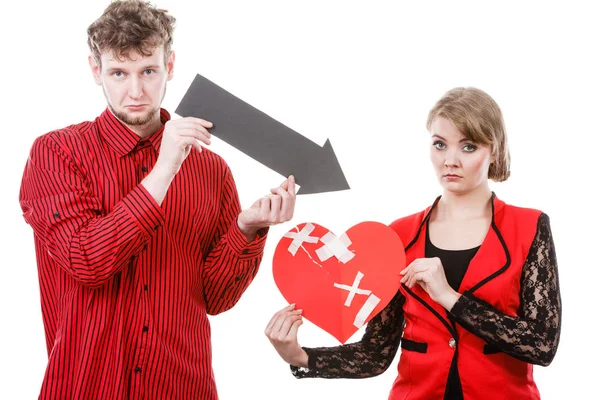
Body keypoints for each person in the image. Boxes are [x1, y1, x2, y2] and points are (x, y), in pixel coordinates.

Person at [19, 1, 296, 399]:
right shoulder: (56, 153)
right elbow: (87, 261)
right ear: (96, 71)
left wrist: (247, 228)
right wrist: (164, 169)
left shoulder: (212, 171)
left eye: (148, 71)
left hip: (183, 387)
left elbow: (215, 299)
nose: (136, 91)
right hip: (86, 387)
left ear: (169, 66)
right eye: (119, 73)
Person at [265, 87, 561, 399]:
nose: (450, 160)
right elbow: (377, 352)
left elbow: (542, 344)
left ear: (495, 151)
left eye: (468, 146)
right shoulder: (399, 235)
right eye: (440, 145)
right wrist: (300, 356)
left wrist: (449, 297)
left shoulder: (529, 226)